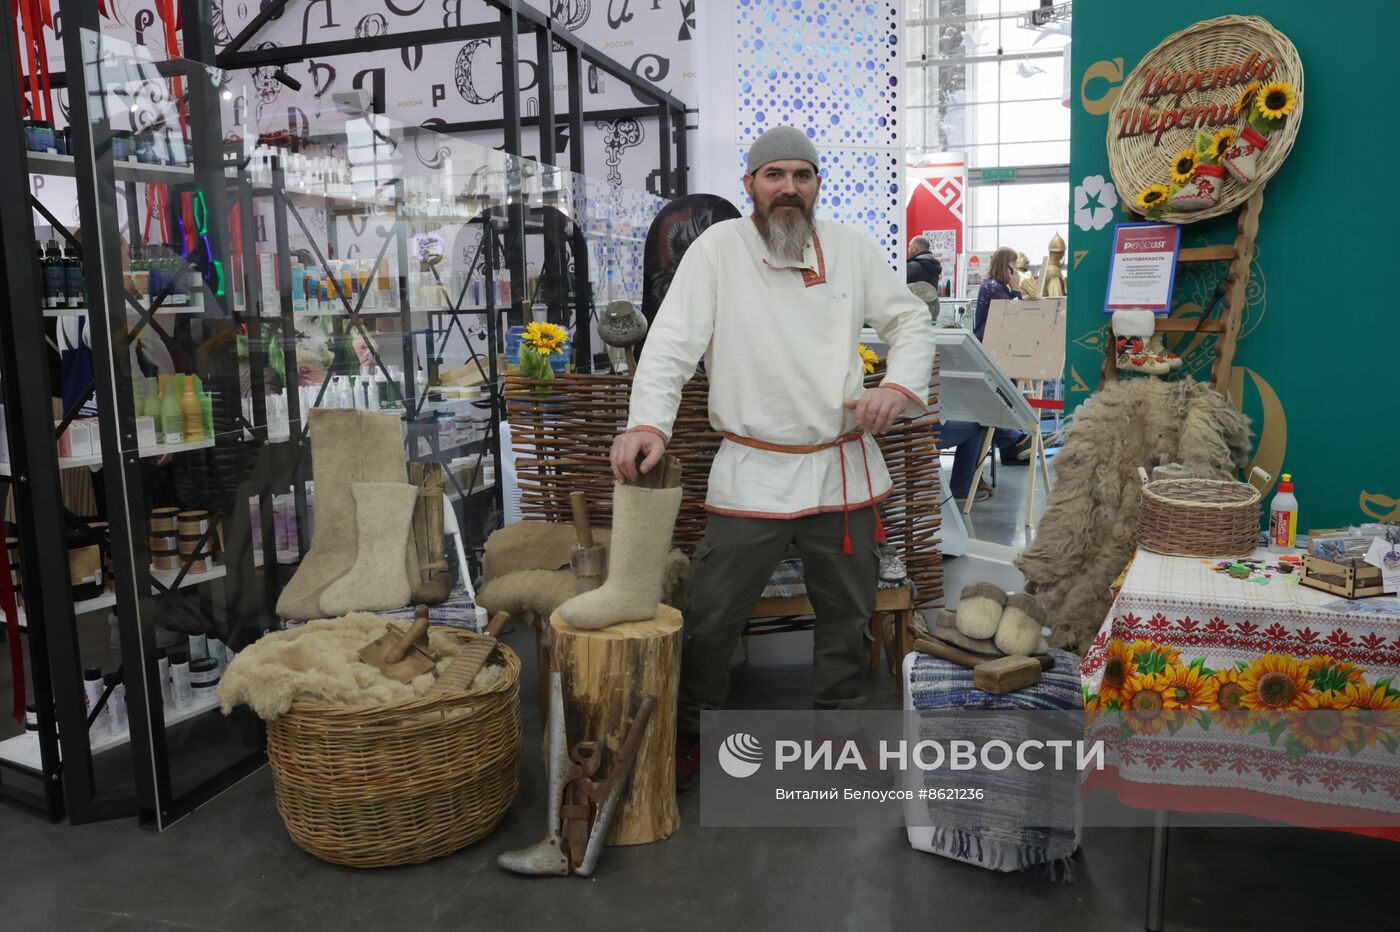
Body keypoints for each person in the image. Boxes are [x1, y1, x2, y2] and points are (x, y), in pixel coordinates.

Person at [610, 125, 936, 790]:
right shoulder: (716, 251)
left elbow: (910, 321)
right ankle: (694, 729)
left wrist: (899, 387)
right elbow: (670, 344)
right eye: (774, 175)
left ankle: (840, 729)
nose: (788, 187)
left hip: (839, 468)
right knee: (712, 612)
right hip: (753, 471)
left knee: (848, 612)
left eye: (802, 175)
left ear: (817, 184)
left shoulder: (849, 248)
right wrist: (647, 423)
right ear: (751, 186)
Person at [943, 247, 1030, 501]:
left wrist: (1015, 289)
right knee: (989, 412)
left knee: (986, 415)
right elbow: (1012, 313)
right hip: (990, 354)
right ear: (1008, 266)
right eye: (1014, 267)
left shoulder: (994, 287)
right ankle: (1013, 438)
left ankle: (1011, 440)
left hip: (994, 353)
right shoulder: (994, 288)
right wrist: (1015, 288)